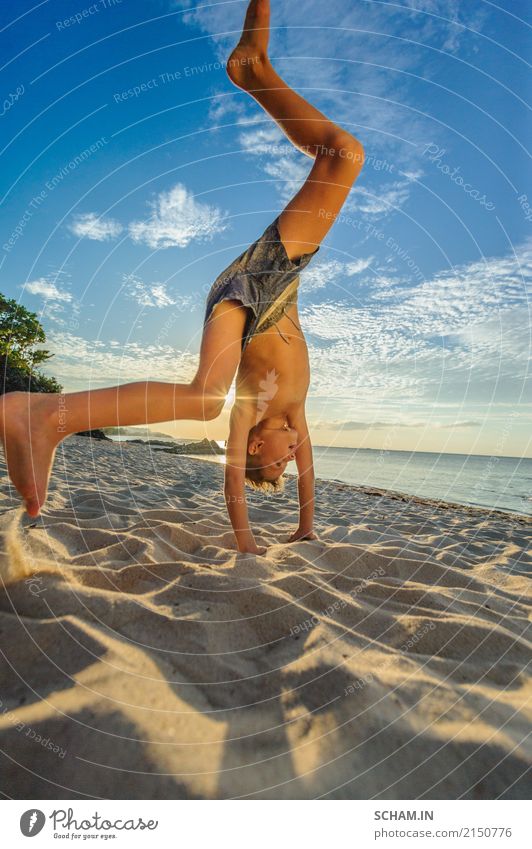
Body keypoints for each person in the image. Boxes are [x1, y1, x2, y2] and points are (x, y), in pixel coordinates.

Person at [0, 0, 364, 555]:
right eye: (289, 464)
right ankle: (49, 414)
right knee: (342, 156)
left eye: (275, 464)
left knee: (342, 156)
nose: (290, 459)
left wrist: (244, 538)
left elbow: (232, 481)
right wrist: (306, 525)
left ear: (251, 450)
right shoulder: (295, 418)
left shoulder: (254, 413)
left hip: (250, 294)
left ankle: (50, 413)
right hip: (273, 285)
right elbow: (310, 477)